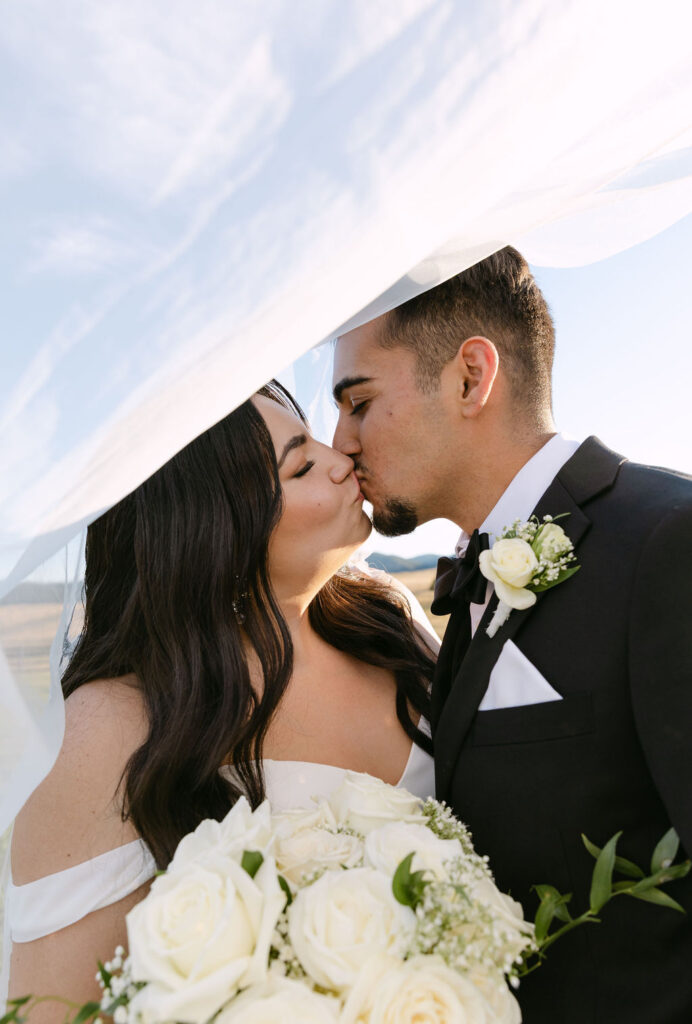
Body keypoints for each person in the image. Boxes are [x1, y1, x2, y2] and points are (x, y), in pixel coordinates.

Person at [332, 247, 692, 1024]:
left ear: (470, 377)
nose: (340, 444)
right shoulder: (473, 576)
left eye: (358, 402)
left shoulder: (669, 539)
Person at [4, 381, 437, 1011]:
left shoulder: (389, 622)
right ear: (219, 531)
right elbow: (52, 1008)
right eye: (302, 463)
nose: (343, 458)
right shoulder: (109, 727)